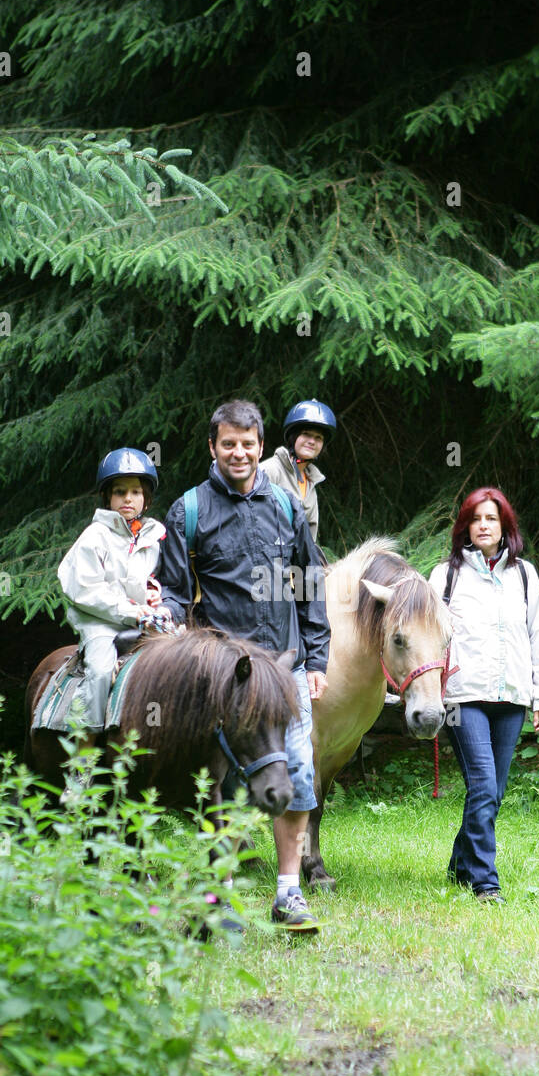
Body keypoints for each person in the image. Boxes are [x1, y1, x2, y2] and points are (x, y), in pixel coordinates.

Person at [161, 399, 330, 932]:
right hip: (224, 677)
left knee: (298, 774)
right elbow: (171, 593)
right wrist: (165, 626)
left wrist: (318, 656)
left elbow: (310, 581)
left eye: (248, 443)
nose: (239, 453)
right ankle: (223, 896)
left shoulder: (286, 505)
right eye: (228, 443)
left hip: (285, 669)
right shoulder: (188, 511)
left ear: (261, 447)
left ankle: (288, 893)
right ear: (212, 447)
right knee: (224, 782)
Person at [428, 486, 539, 903]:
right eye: (476, 518)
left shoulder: (524, 575)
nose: (483, 526)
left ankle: (459, 864)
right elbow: (426, 638)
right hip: (463, 698)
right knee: (483, 784)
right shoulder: (445, 575)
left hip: (512, 696)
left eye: (492, 519)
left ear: (505, 527)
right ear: (465, 526)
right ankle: (485, 882)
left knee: (493, 791)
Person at [58, 448, 168, 752]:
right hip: (102, 623)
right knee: (101, 670)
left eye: (135, 491)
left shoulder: (154, 537)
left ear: (146, 497)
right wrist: (131, 610)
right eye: (120, 492)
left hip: (143, 619)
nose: (128, 499)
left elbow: (155, 577)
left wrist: (154, 594)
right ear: (108, 497)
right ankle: (82, 759)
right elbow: (83, 588)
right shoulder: (95, 536)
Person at [259, 399, 336, 544]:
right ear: (293, 437)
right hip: (262, 561)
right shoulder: (269, 470)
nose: (312, 441)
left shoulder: (311, 482)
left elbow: (310, 540)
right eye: (306, 434)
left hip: (293, 565)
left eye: (318, 437)